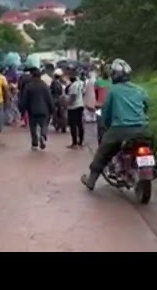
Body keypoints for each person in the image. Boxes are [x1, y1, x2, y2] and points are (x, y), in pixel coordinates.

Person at [81, 59, 152, 191]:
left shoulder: (113, 91)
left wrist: (107, 126)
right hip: (142, 129)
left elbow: (106, 112)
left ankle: (91, 181)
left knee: (102, 153)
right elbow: (146, 107)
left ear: (114, 75)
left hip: (120, 130)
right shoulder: (140, 89)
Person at [19, 67, 55, 150]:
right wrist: (52, 108)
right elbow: (49, 98)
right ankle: (43, 135)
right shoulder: (44, 85)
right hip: (44, 109)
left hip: (32, 110)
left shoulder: (28, 86)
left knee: (33, 127)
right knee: (44, 125)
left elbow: (24, 99)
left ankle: (35, 144)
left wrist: (22, 110)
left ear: (32, 76)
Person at [65, 66, 85, 148]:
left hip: (73, 107)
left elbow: (73, 97)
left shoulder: (74, 86)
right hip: (80, 105)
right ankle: (80, 141)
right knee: (79, 124)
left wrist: (67, 104)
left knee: (73, 125)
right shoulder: (81, 83)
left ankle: (75, 143)